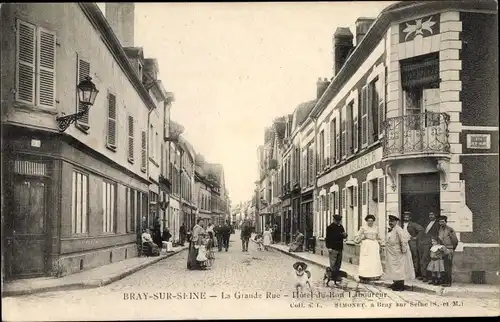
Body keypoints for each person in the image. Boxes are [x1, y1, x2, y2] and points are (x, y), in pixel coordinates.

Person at [385, 214, 415, 291]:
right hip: (392, 253)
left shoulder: (398, 229)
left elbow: (403, 240)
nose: (390, 223)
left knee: (400, 269)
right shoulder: (392, 229)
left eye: (392, 221)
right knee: (394, 269)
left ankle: (400, 285)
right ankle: (395, 283)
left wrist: (403, 250)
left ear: (396, 222)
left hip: (398, 253)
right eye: (389, 221)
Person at [354, 214, 384, 283]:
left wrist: (380, 245)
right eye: (368, 221)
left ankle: (375, 275)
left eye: (371, 221)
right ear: (366, 221)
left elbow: (379, 237)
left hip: (374, 245)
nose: (370, 222)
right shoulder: (363, 228)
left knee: (374, 260)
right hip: (366, 245)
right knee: (366, 260)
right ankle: (365, 275)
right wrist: (360, 239)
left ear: (373, 221)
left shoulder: (376, 228)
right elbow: (357, 236)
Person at [418, 212, 440, 282]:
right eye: (429, 215)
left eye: (432, 215)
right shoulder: (427, 222)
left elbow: (437, 234)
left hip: (430, 244)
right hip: (424, 243)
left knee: (426, 259)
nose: (430, 216)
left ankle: (427, 276)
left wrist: (433, 242)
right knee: (422, 259)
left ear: (435, 215)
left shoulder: (437, 224)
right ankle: (423, 275)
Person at [437, 215, 458, 287]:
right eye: (440, 222)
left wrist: (451, 249)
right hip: (442, 249)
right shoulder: (439, 230)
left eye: (443, 222)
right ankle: (443, 281)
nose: (441, 223)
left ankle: (448, 282)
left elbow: (455, 240)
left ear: (446, 222)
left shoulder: (450, 230)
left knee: (448, 266)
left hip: (449, 249)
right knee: (442, 266)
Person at [325, 215, 347, 282]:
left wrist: (345, 235)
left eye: (339, 221)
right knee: (333, 264)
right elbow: (327, 238)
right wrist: (328, 247)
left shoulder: (341, 227)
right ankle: (333, 276)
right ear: (333, 220)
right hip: (333, 248)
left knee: (338, 263)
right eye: (337, 220)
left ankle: (336, 276)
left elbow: (344, 236)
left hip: (340, 247)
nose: (338, 222)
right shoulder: (330, 227)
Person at [402, 211, 424, 278]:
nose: (406, 218)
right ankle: (406, 272)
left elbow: (422, 230)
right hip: (403, 242)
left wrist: (416, 237)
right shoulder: (401, 224)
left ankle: (415, 273)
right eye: (405, 216)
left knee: (414, 257)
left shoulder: (413, 224)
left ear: (410, 218)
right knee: (404, 257)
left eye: (407, 217)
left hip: (411, 242)